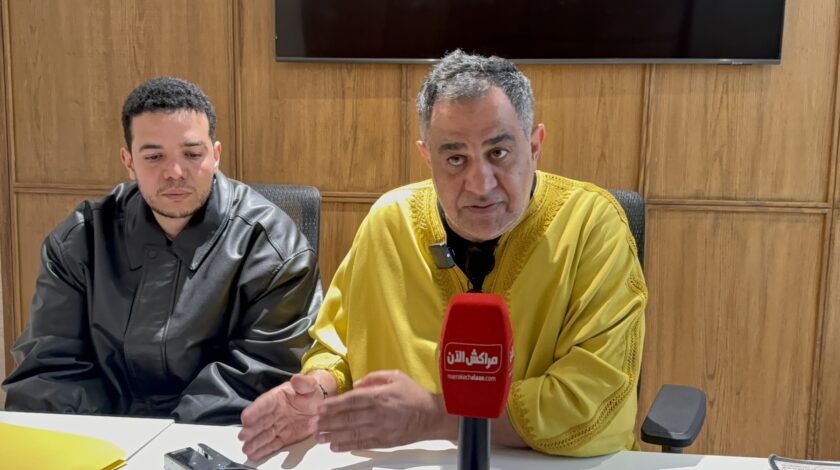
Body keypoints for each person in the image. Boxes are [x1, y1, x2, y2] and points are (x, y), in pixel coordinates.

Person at [239, 50, 646, 458]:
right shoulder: (390, 221)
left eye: (498, 153)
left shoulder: (592, 225)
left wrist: (435, 416)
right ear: (427, 157)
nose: (480, 184)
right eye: (455, 158)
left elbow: (595, 403)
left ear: (535, 145)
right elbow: (339, 349)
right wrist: (320, 392)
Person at [2, 77, 323, 424]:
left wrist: (170, 441)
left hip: (214, 439)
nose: (174, 172)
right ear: (129, 161)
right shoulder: (81, 240)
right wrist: (112, 439)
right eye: (154, 156)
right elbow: (50, 368)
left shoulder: (273, 248)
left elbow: (264, 373)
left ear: (216, 155)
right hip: (103, 436)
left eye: (192, 154)